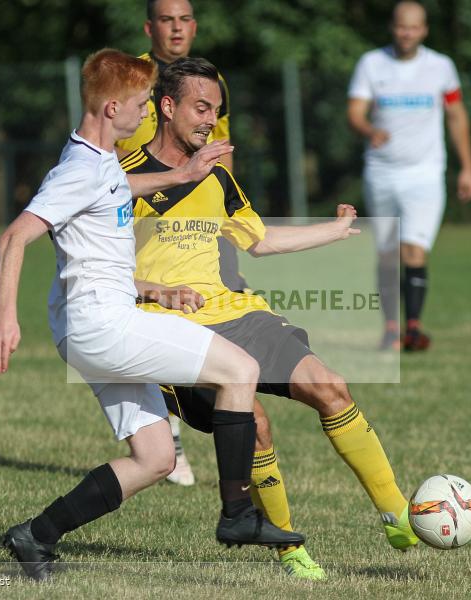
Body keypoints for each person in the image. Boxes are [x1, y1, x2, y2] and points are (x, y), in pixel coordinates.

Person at [0, 49, 303, 582]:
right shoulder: (80, 169)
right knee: (241, 369)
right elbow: (14, 236)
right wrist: (4, 319)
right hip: (104, 325)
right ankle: (238, 515)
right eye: (139, 105)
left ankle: (35, 536)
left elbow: (117, 192)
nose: (146, 114)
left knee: (154, 457)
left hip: (91, 325)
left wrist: (182, 181)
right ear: (112, 108)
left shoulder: (99, 158)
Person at [123, 58, 420, 576]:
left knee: (330, 386)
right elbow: (95, 270)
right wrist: (154, 291)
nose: (211, 119)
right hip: (170, 331)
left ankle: (397, 512)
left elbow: (258, 240)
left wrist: (332, 231)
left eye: (216, 109)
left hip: (236, 311)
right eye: (200, 107)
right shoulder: (124, 182)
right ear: (167, 107)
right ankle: (288, 547)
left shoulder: (216, 175)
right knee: (254, 424)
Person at [117, 0, 246, 487]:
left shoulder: (211, 82)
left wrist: (224, 222)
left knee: (200, 322)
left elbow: (221, 153)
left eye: (184, 19)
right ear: (150, 27)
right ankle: (164, 437)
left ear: (194, 26)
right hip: (140, 218)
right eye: (166, 20)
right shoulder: (130, 76)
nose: (176, 28)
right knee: (154, 319)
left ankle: (179, 428)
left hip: (194, 226)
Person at [347, 0, 471, 351]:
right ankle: (391, 329)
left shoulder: (441, 67)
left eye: (414, 27)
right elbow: (355, 111)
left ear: (424, 30)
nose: (407, 33)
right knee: (388, 252)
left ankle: (414, 328)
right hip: (382, 171)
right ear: (393, 27)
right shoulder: (372, 64)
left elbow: (456, 116)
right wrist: (368, 129)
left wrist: (467, 166)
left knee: (414, 250)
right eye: (401, 26)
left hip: (425, 172)